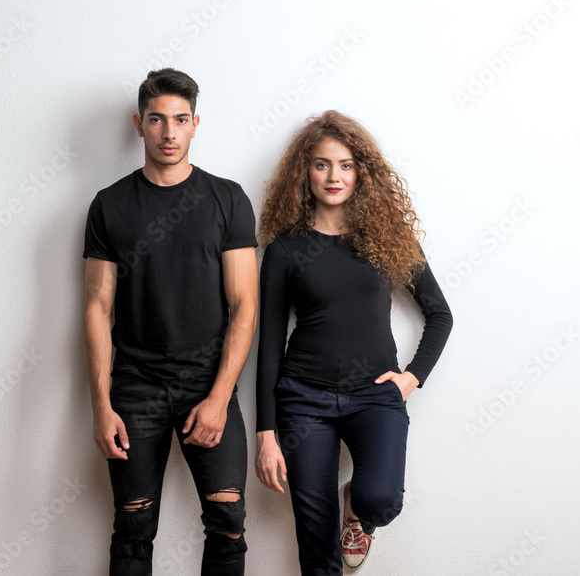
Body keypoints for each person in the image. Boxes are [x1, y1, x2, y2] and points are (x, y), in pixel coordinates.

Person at [254, 110, 453, 574]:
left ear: (361, 171)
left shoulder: (389, 238)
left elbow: (440, 314)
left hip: (375, 396)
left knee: (379, 500)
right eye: (322, 164)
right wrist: (266, 434)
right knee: (315, 542)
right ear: (305, 172)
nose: (334, 175)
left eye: (345, 164)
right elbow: (268, 346)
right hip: (304, 400)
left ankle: (357, 511)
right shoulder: (285, 250)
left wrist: (410, 379)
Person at [82, 68, 259, 575]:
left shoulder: (227, 199)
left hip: (209, 383)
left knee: (228, 523)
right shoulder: (110, 205)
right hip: (135, 389)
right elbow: (97, 306)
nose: (169, 132)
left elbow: (245, 304)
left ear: (196, 124)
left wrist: (221, 398)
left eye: (180, 120)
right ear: (139, 124)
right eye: (157, 120)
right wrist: (101, 405)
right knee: (133, 530)